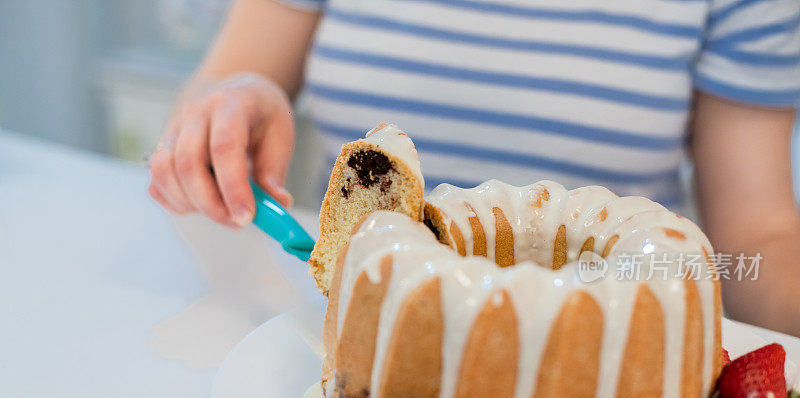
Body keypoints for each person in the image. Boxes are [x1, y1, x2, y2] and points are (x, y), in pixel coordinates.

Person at [148, 0, 800, 336]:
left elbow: (755, 235)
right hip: (346, 334)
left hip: (612, 338)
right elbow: (220, 89)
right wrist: (230, 107)